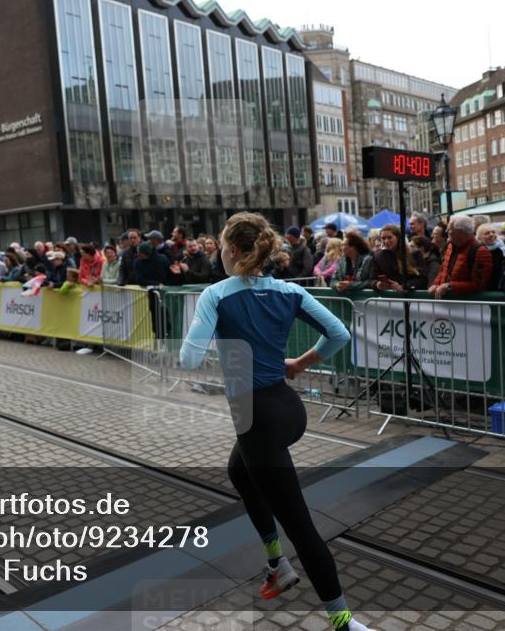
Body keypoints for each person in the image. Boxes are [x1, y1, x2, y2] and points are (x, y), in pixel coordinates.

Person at [179, 213, 372, 631]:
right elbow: (339, 334)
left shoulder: (215, 295)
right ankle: (275, 563)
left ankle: (343, 621)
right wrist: (300, 363)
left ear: (231, 251)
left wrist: (213, 338)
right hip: (288, 410)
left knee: (300, 525)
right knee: (240, 472)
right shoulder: (287, 290)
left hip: (258, 421)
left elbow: (189, 359)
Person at [428, 215, 492, 299]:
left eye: (450, 229)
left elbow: (478, 285)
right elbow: (443, 271)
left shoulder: (480, 252)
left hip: (468, 306)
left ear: (461, 232)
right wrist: (435, 284)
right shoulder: (450, 246)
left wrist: (450, 286)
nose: (447, 231)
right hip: (447, 305)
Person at [369, 224, 426, 292]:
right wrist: (377, 284)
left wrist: (404, 286)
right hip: (388, 299)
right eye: (383, 238)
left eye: (389, 237)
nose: (386, 241)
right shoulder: (378, 256)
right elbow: (371, 280)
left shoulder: (414, 254)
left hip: (411, 298)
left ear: (398, 238)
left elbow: (423, 279)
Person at [476, 223, 505, 291]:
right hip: (482, 287)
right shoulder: (477, 250)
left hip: (498, 286)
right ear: (479, 237)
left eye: (493, 232)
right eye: (487, 233)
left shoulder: (500, 249)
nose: (491, 234)